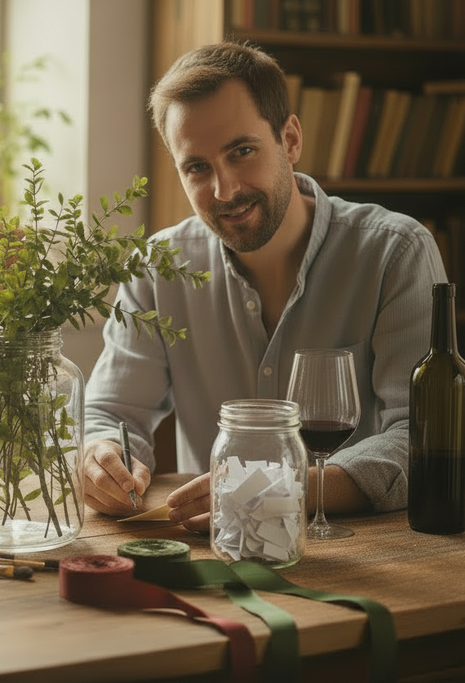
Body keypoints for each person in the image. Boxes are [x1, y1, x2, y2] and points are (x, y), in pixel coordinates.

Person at [83, 41, 445, 531]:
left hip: (365, 553)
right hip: (213, 553)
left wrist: (285, 486)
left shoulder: (396, 252)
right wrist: (98, 456)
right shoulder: (156, 267)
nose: (224, 189)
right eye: (197, 167)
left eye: (242, 151)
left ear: (290, 140)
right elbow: (110, 412)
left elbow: (421, 438)